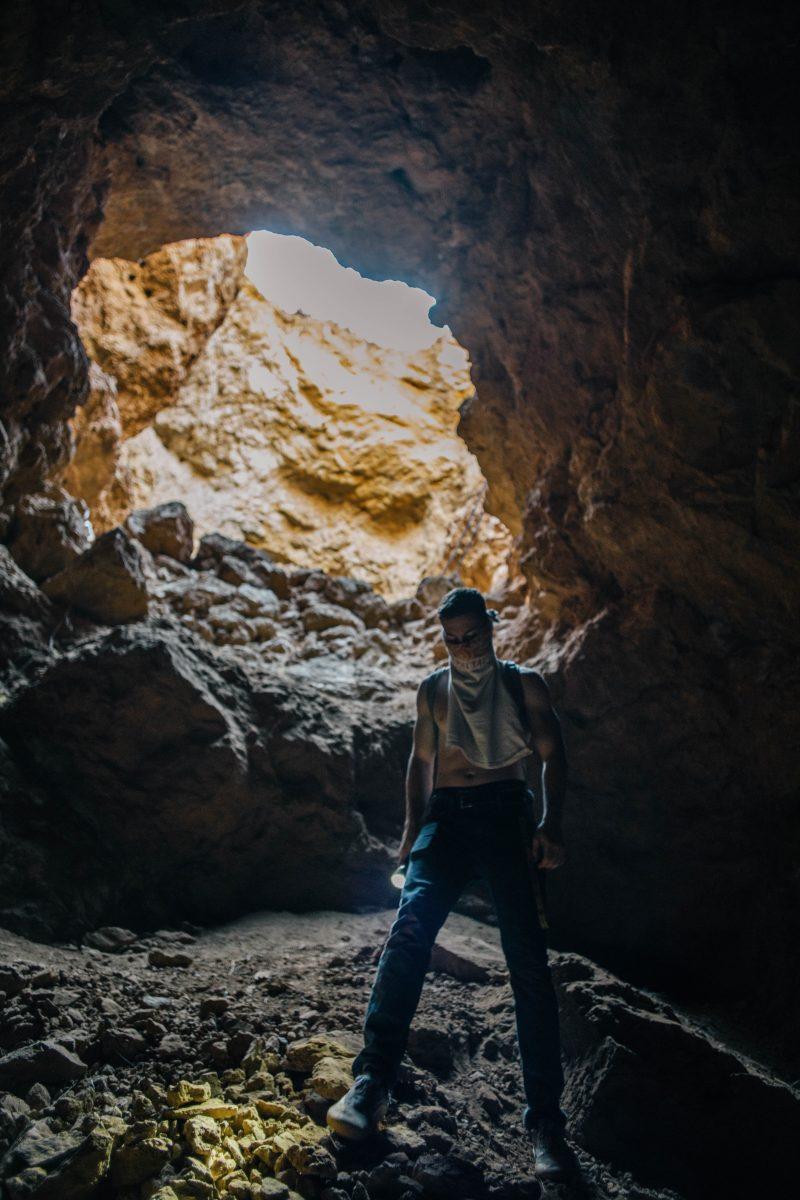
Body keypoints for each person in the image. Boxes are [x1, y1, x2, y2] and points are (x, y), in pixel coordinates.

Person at [327, 586, 575, 1180]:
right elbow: (420, 762)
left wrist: (550, 824)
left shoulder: (523, 684)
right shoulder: (433, 690)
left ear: (491, 627)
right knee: (408, 932)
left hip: (505, 811)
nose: (463, 647)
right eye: (452, 638)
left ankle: (545, 1122)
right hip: (446, 816)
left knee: (527, 961)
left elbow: (553, 753)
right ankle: (371, 1082)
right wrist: (412, 834)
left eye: (473, 634)